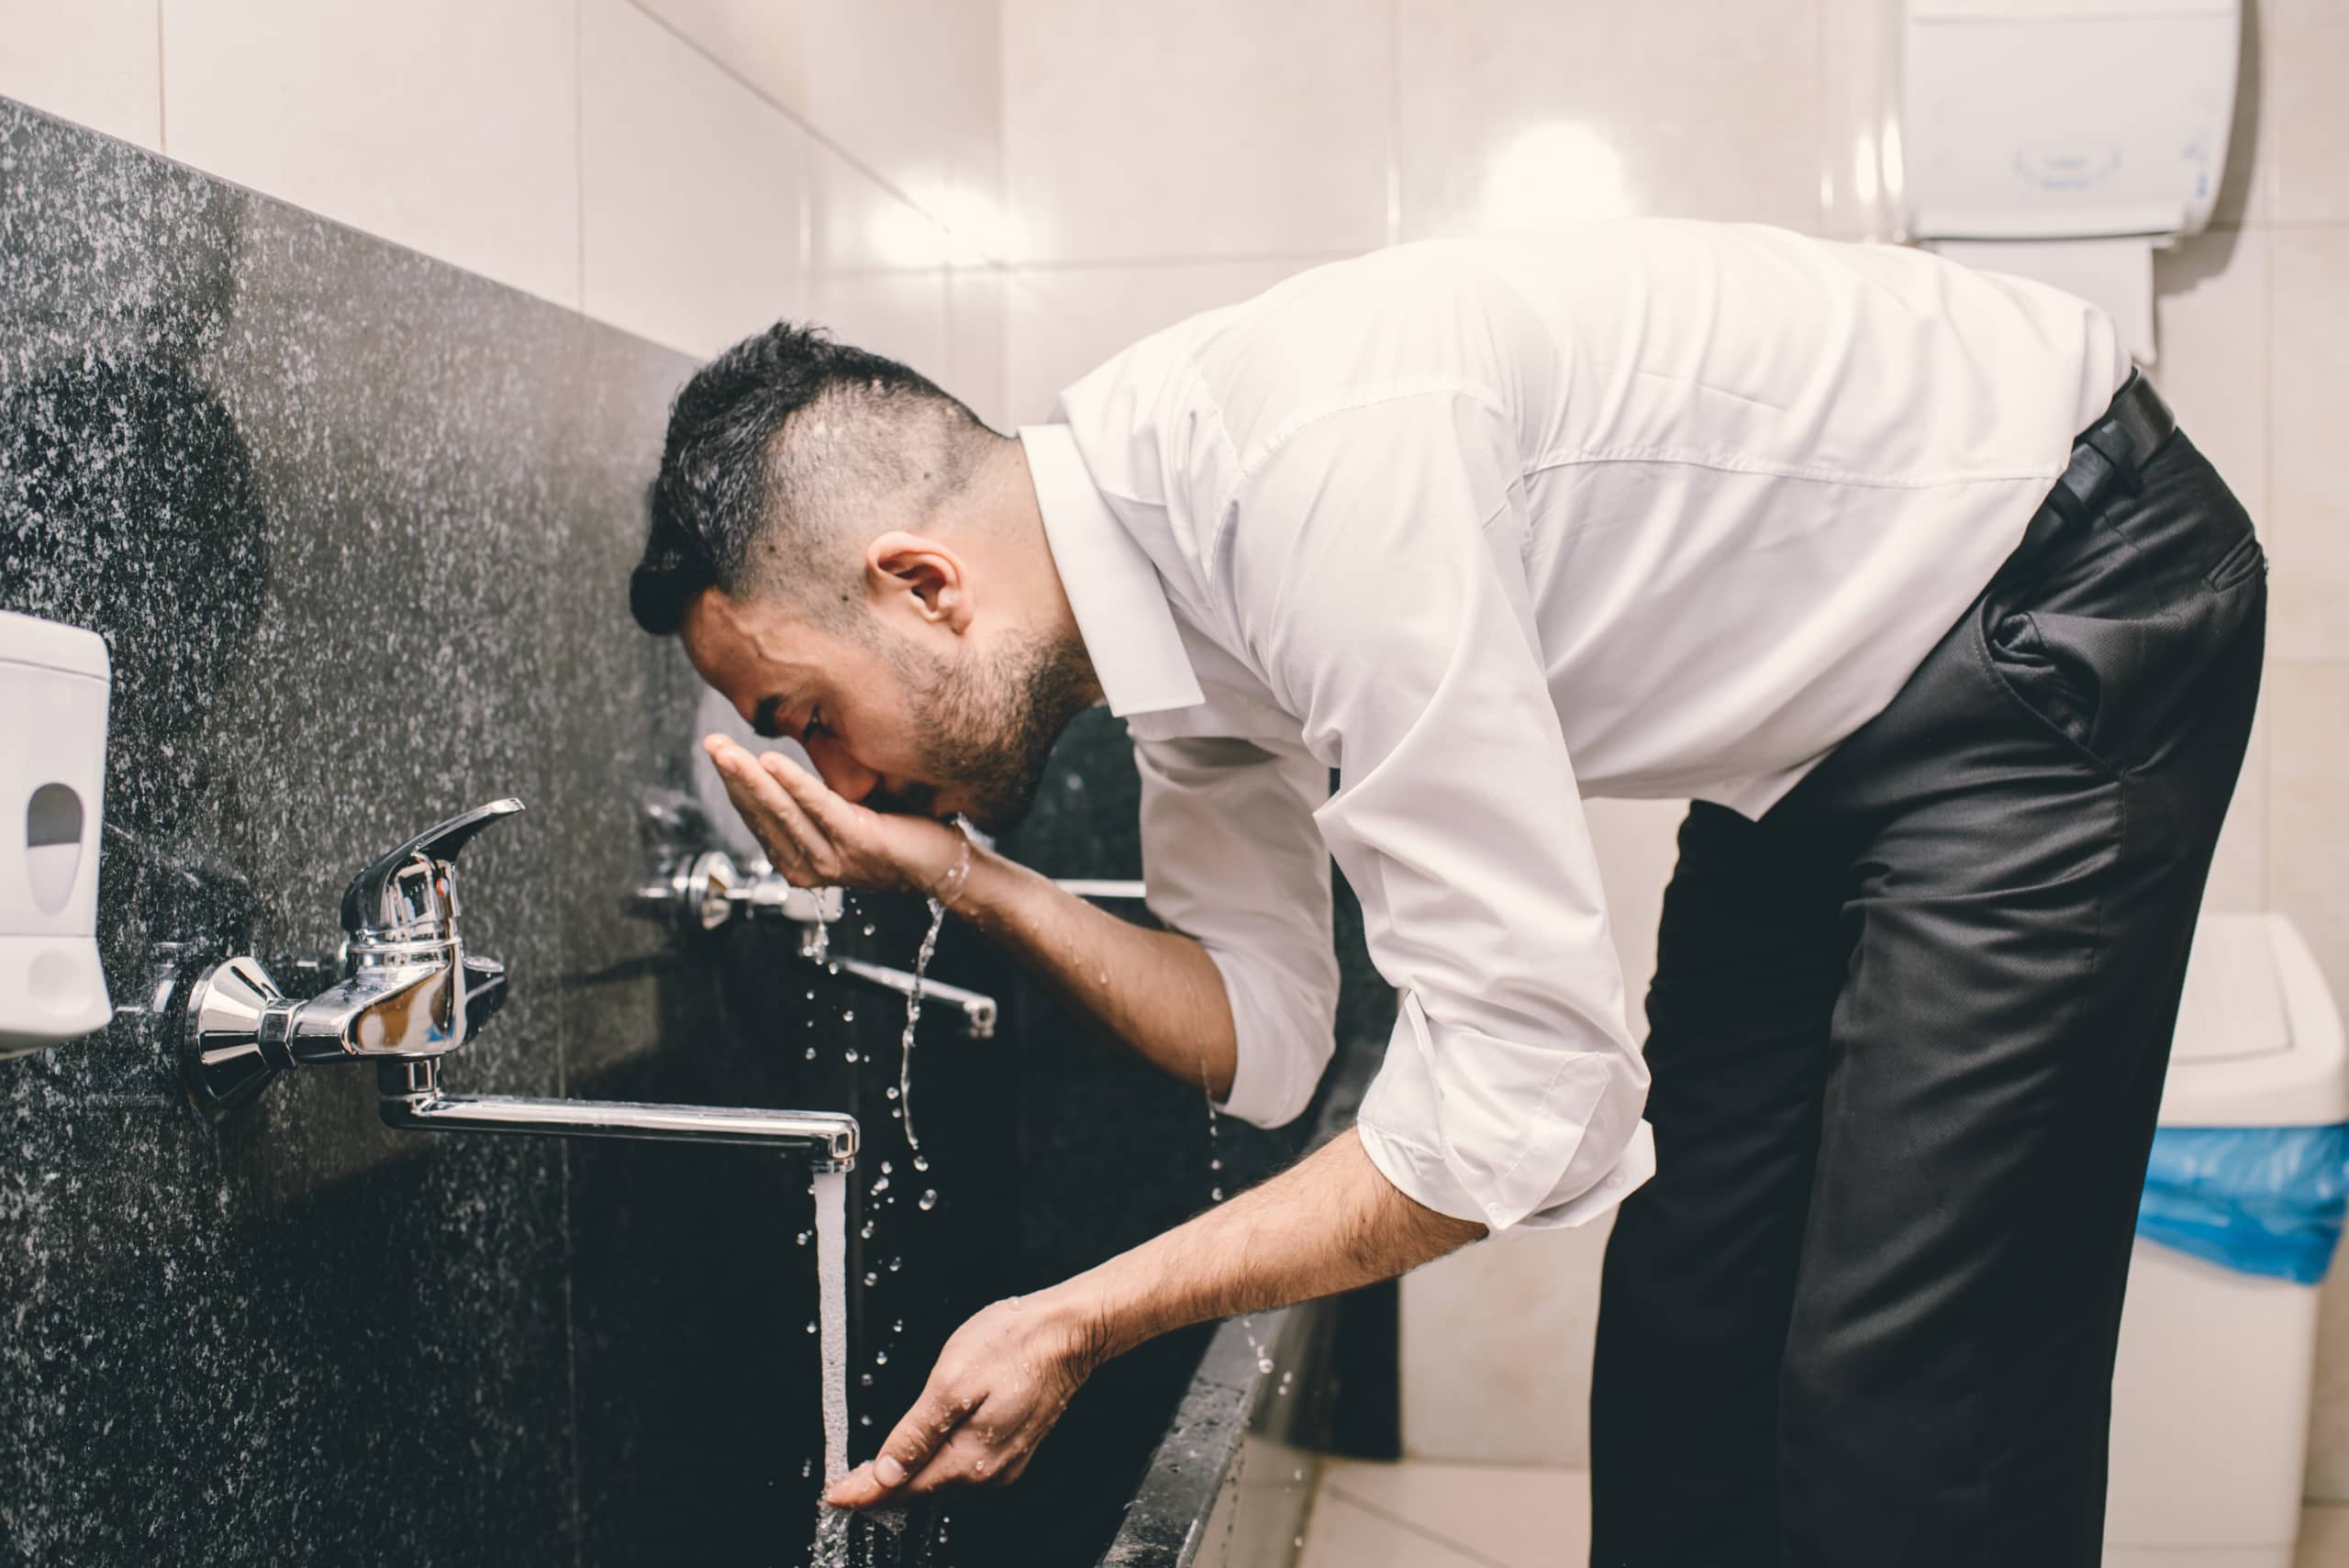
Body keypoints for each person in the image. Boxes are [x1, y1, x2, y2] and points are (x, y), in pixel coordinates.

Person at [626, 218, 2264, 1568]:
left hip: (2054, 597)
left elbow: (1528, 1099)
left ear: (924, 586)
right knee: (1692, 1323)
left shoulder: (1304, 477)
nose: (829, 785)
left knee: (1906, 1385)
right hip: (1817, 734)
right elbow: (1263, 1039)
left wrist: (1079, 1315)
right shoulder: (1165, 625)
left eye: (806, 716)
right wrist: (964, 876)